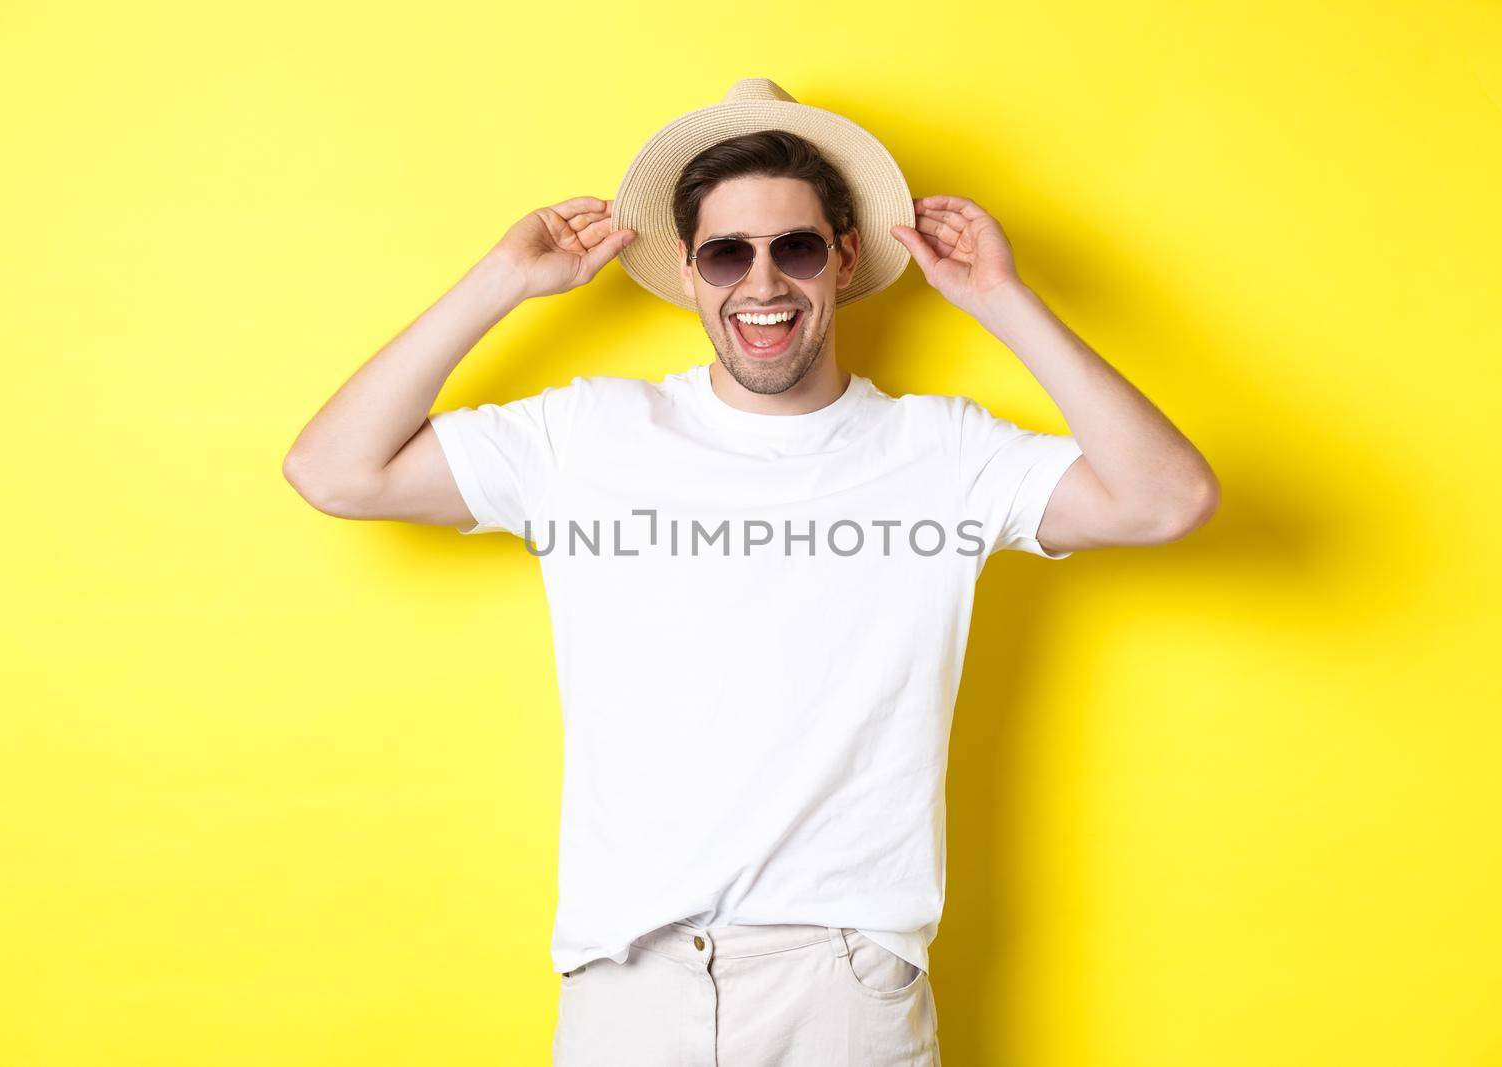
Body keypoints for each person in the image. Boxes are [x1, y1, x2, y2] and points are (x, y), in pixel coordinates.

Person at [283, 78, 1219, 1066]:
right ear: (688, 270)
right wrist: (499, 282)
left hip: (844, 988)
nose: (762, 283)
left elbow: (1168, 497)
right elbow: (333, 467)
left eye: (796, 248)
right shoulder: (585, 435)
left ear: (843, 259)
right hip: (630, 984)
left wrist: (1001, 301)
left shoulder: (940, 453)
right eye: (727, 252)